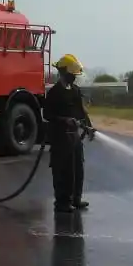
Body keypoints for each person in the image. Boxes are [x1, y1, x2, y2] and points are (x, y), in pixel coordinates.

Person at [43, 54, 95, 213]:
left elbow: (82, 112)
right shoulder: (54, 92)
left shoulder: (75, 91)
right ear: (64, 72)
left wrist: (89, 126)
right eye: (72, 74)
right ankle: (62, 202)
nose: (74, 77)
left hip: (74, 137)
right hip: (60, 137)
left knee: (78, 168)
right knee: (62, 170)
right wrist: (65, 120)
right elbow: (47, 115)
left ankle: (76, 199)